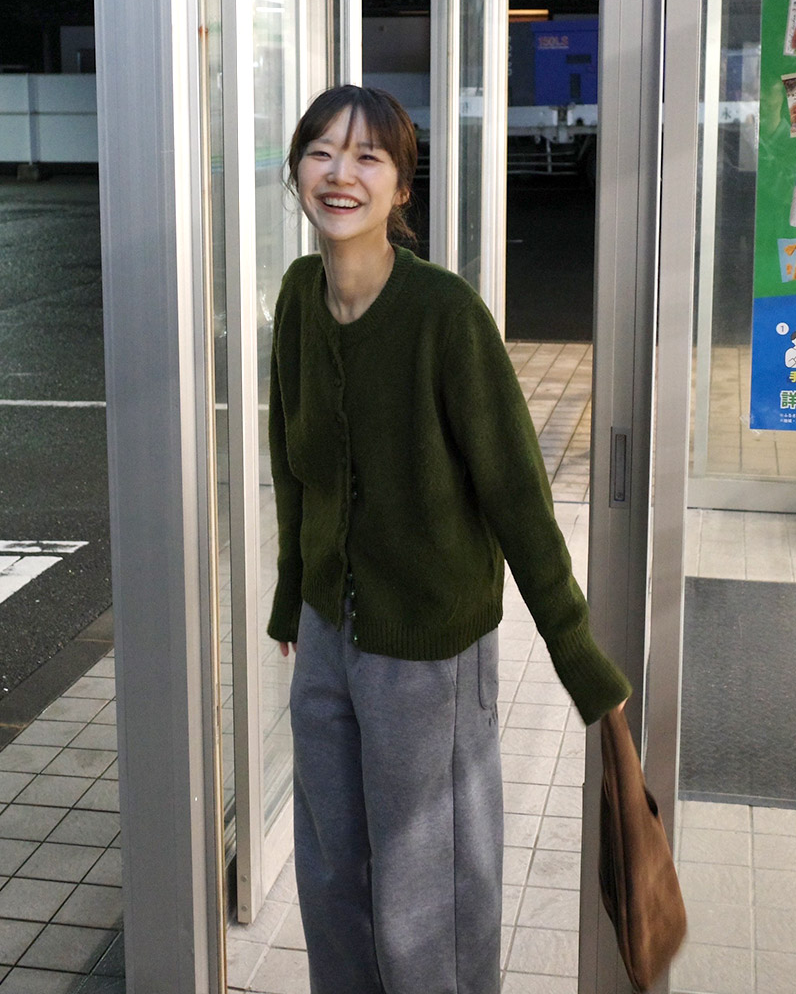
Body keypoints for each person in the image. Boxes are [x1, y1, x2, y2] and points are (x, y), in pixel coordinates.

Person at [267, 84, 631, 994]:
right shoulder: (301, 296)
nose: (340, 173)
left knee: (429, 895)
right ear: (297, 172)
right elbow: (293, 459)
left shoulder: (444, 313)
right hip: (327, 633)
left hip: (429, 648)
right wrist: (290, 593)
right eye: (322, 151)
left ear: (401, 189)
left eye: (368, 157)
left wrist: (577, 653)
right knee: (332, 876)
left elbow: (517, 493)